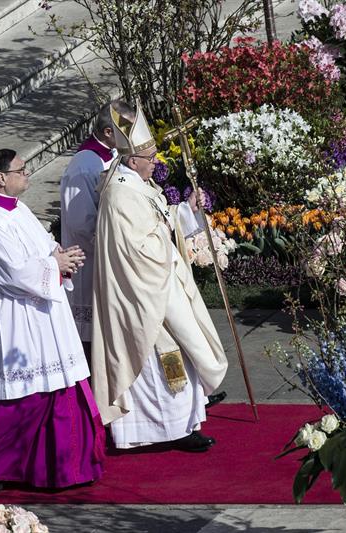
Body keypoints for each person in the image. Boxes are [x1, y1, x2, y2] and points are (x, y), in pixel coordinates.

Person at [0, 149, 105, 493]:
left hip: (42, 316)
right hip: (15, 322)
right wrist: (55, 266)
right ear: (1, 178)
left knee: (54, 390)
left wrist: (61, 256)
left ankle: (55, 469)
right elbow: (13, 272)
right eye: (21, 170)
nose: (27, 174)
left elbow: (43, 246)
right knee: (22, 400)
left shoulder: (18, 209)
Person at [90, 102, 229, 452]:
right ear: (132, 160)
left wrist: (184, 211)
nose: (156, 163)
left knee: (180, 351)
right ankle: (165, 430)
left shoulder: (136, 182)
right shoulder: (119, 194)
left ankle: (183, 424)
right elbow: (136, 250)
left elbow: (157, 218)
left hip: (160, 284)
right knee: (161, 358)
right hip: (142, 294)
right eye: (150, 158)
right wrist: (164, 234)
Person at [59, 100, 130, 362]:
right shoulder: (84, 164)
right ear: (109, 132)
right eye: (127, 128)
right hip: (90, 259)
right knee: (90, 335)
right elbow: (80, 222)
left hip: (107, 255)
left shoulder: (111, 155)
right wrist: (113, 246)